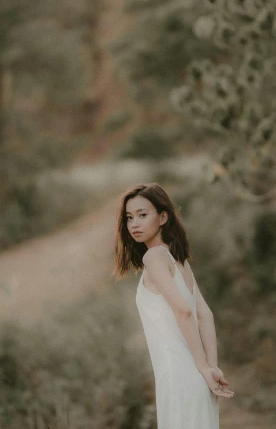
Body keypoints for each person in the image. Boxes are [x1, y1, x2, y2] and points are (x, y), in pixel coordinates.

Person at [113, 183, 234, 429]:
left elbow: (185, 311)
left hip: (179, 377)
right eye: (129, 217)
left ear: (163, 217)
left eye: (143, 215)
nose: (134, 223)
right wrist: (211, 368)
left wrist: (203, 367)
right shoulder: (179, 261)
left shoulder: (154, 257)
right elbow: (205, 315)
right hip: (199, 381)